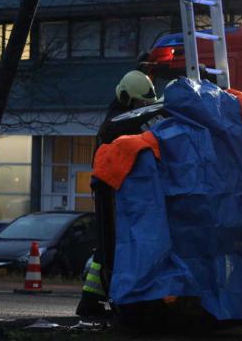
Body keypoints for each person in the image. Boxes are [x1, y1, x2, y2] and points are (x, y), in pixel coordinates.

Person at [76, 70, 159, 318]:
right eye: (141, 103)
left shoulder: (124, 117)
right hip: (110, 188)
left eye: (146, 104)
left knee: (108, 244)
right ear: (126, 97)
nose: (143, 107)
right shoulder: (116, 122)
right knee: (111, 243)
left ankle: (91, 300)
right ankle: (93, 301)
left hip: (113, 187)